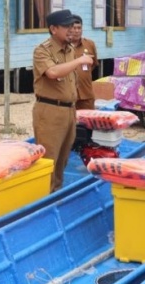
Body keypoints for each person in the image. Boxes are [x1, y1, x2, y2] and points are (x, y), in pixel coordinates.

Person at [32, 9, 93, 192]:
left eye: (73, 26)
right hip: (50, 111)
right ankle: (43, 199)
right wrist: (78, 61)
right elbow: (52, 73)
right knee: (48, 159)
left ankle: (55, 193)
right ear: (53, 29)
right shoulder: (42, 51)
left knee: (63, 158)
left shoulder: (70, 50)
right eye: (66, 27)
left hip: (69, 111)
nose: (71, 30)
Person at [70, 14, 97, 111]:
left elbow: (93, 65)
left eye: (79, 28)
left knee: (88, 123)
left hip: (86, 94)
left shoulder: (90, 44)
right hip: (68, 95)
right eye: (74, 28)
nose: (77, 31)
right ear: (68, 29)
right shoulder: (64, 46)